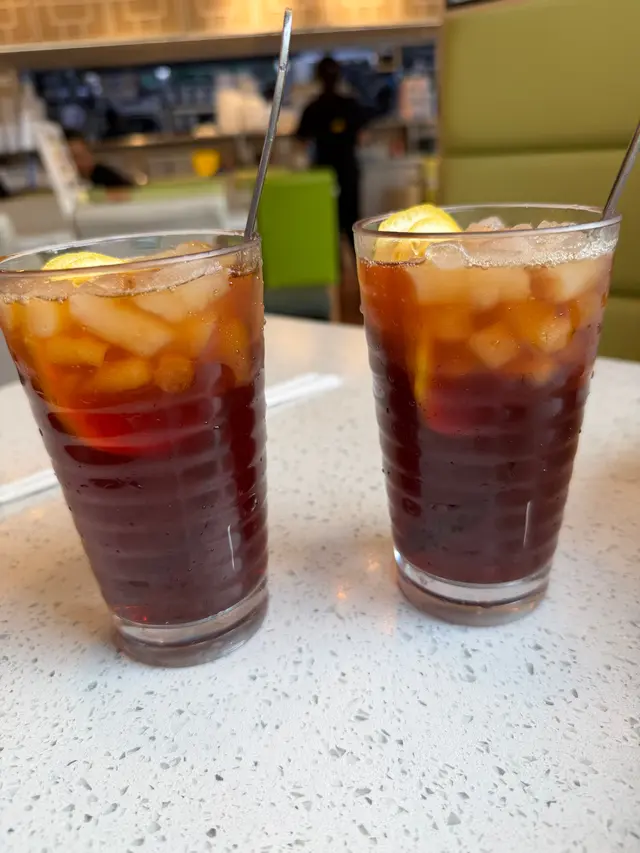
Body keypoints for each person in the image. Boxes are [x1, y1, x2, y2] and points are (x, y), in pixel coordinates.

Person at [296, 57, 372, 240]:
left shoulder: (313, 108)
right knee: (352, 222)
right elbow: (364, 137)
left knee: (326, 224)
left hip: (322, 174)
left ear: (318, 77)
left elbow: (301, 140)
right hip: (348, 170)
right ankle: (353, 256)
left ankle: (332, 257)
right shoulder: (351, 104)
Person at [64, 130, 134, 189]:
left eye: (85, 153)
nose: (84, 160)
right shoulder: (64, 186)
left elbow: (132, 190)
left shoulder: (105, 176)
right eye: (75, 157)